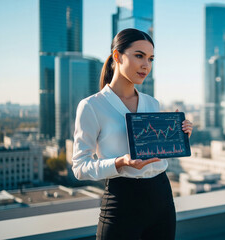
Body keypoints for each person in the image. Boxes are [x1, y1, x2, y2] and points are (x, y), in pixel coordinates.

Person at [72, 28, 193, 240]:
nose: (146, 65)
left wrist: (179, 136)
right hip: (123, 203)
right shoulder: (92, 106)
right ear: (117, 56)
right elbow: (80, 167)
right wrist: (120, 162)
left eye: (151, 58)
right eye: (139, 56)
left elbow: (157, 153)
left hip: (162, 199)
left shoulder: (152, 103)